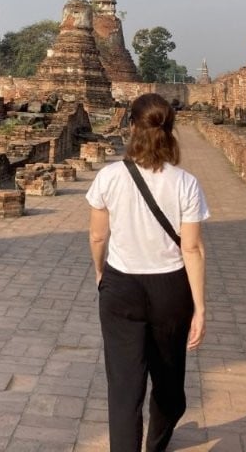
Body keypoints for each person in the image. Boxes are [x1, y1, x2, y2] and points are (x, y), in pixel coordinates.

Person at [86, 92, 209, 452]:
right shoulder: (185, 182)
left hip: (120, 284)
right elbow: (192, 248)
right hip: (171, 289)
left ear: (131, 126)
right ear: (170, 129)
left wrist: (100, 272)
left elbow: (97, 236)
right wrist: (200, 307)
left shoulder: (109, 177)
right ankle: (155, 444)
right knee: (168, 380)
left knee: (125, 386)